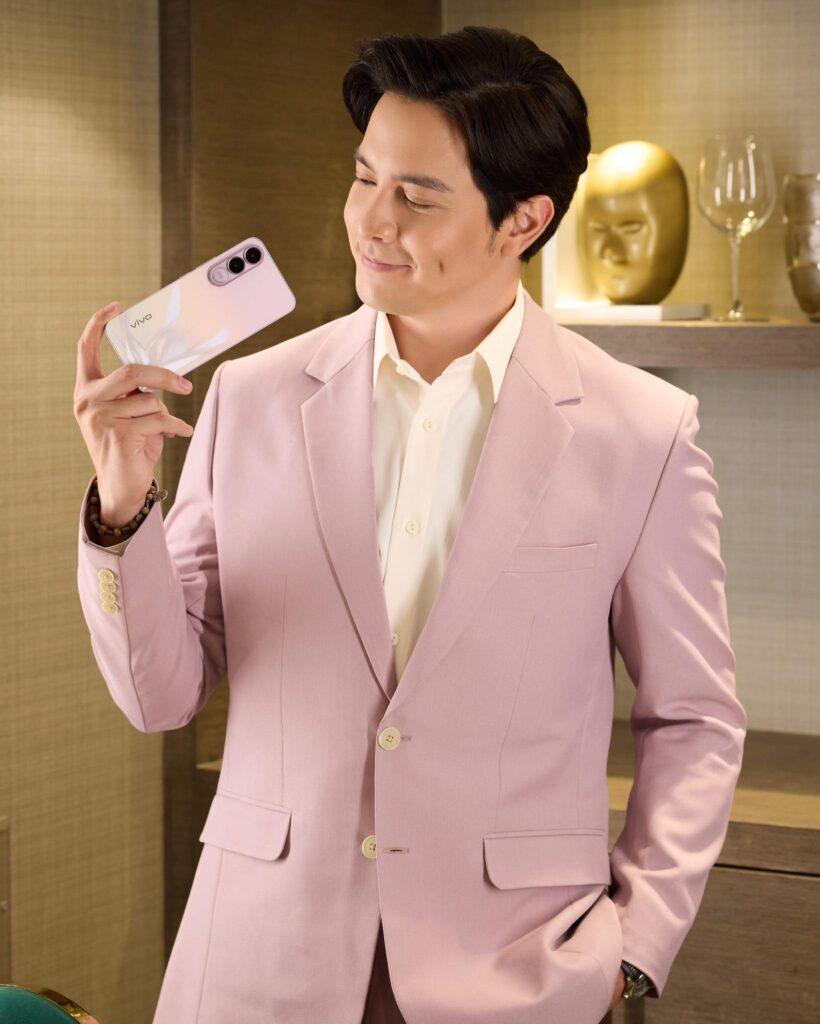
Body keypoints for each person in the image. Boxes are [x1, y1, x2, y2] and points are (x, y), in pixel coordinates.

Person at [74, 25, 746, 1024]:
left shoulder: (642, 432)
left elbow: (693, 719)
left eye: (417, 196)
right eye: (363, 178)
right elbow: (158, 695)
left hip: (513, 975)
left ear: (523, 220)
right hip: (258, 964)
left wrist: (635, 948)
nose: (371, 222)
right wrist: (122, 505)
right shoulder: (252, 398)